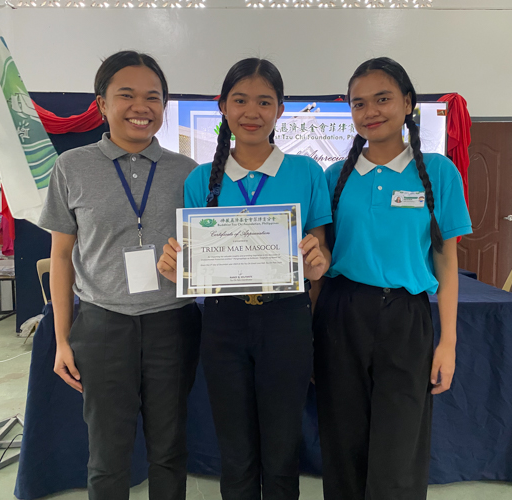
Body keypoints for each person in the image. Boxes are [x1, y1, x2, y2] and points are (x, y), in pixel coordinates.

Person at [157, 57, 331, 500]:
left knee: (281, 449)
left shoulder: (308, 173)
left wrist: (317, 262)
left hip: (287, 321)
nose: (251, 112)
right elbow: (192, 261)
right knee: (234, 450)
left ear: (281, 109)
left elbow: (321, 253)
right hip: (223, 323)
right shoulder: (201, 181)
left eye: (264, 101)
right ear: (222, 106)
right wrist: (177, 264)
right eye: (240, 100)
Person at [39, 50, 201, 500]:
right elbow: (62, 256)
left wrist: (187, 262)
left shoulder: (187, 172)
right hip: (104, 324)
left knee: (170, 448)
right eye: (126, 94)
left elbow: (204, 253)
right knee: (107, 456)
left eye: (153, 97)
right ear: (101, 103)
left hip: (173, 322)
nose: (141, 106)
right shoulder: (71, 167)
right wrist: (62, 339)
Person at [312, 57, 472, 500]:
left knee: (401, 443)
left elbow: (446, 261)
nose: (370, 111)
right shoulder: (333, 178)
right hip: (341, 313)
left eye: (382, 99)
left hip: (406, 317)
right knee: (342, 439)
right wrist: (310, 329)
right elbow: (321, 263)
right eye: (358, 103)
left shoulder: (438, 172)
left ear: (407, 103)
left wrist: (448, 343)